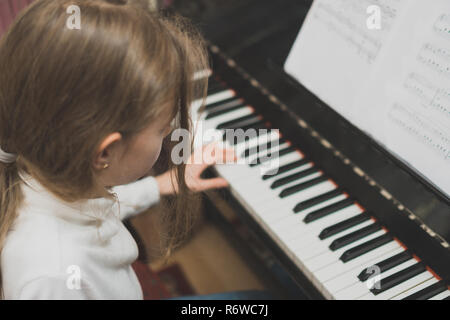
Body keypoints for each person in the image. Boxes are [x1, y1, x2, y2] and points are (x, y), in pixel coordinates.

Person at [0, 0, 272, 300]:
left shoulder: (45, 179)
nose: (170, 131)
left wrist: (161, 185)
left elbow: (97, 206)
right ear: (104, 153)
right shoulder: (52, 280)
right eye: (162, 128)